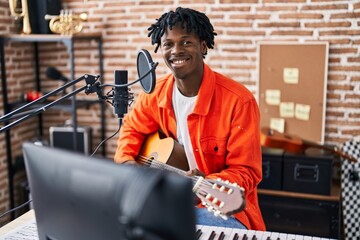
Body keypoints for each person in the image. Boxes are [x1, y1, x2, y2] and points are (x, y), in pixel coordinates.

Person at [114, 7, 265, 231]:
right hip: (169, 201)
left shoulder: (238, 101)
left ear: (203, 46)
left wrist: (206, 184)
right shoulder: (155, 94)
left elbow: (246, 171)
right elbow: (130, 131)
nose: (176, 50)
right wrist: (130, 168)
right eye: (168, 44)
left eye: (186, 42)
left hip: (222, 209)